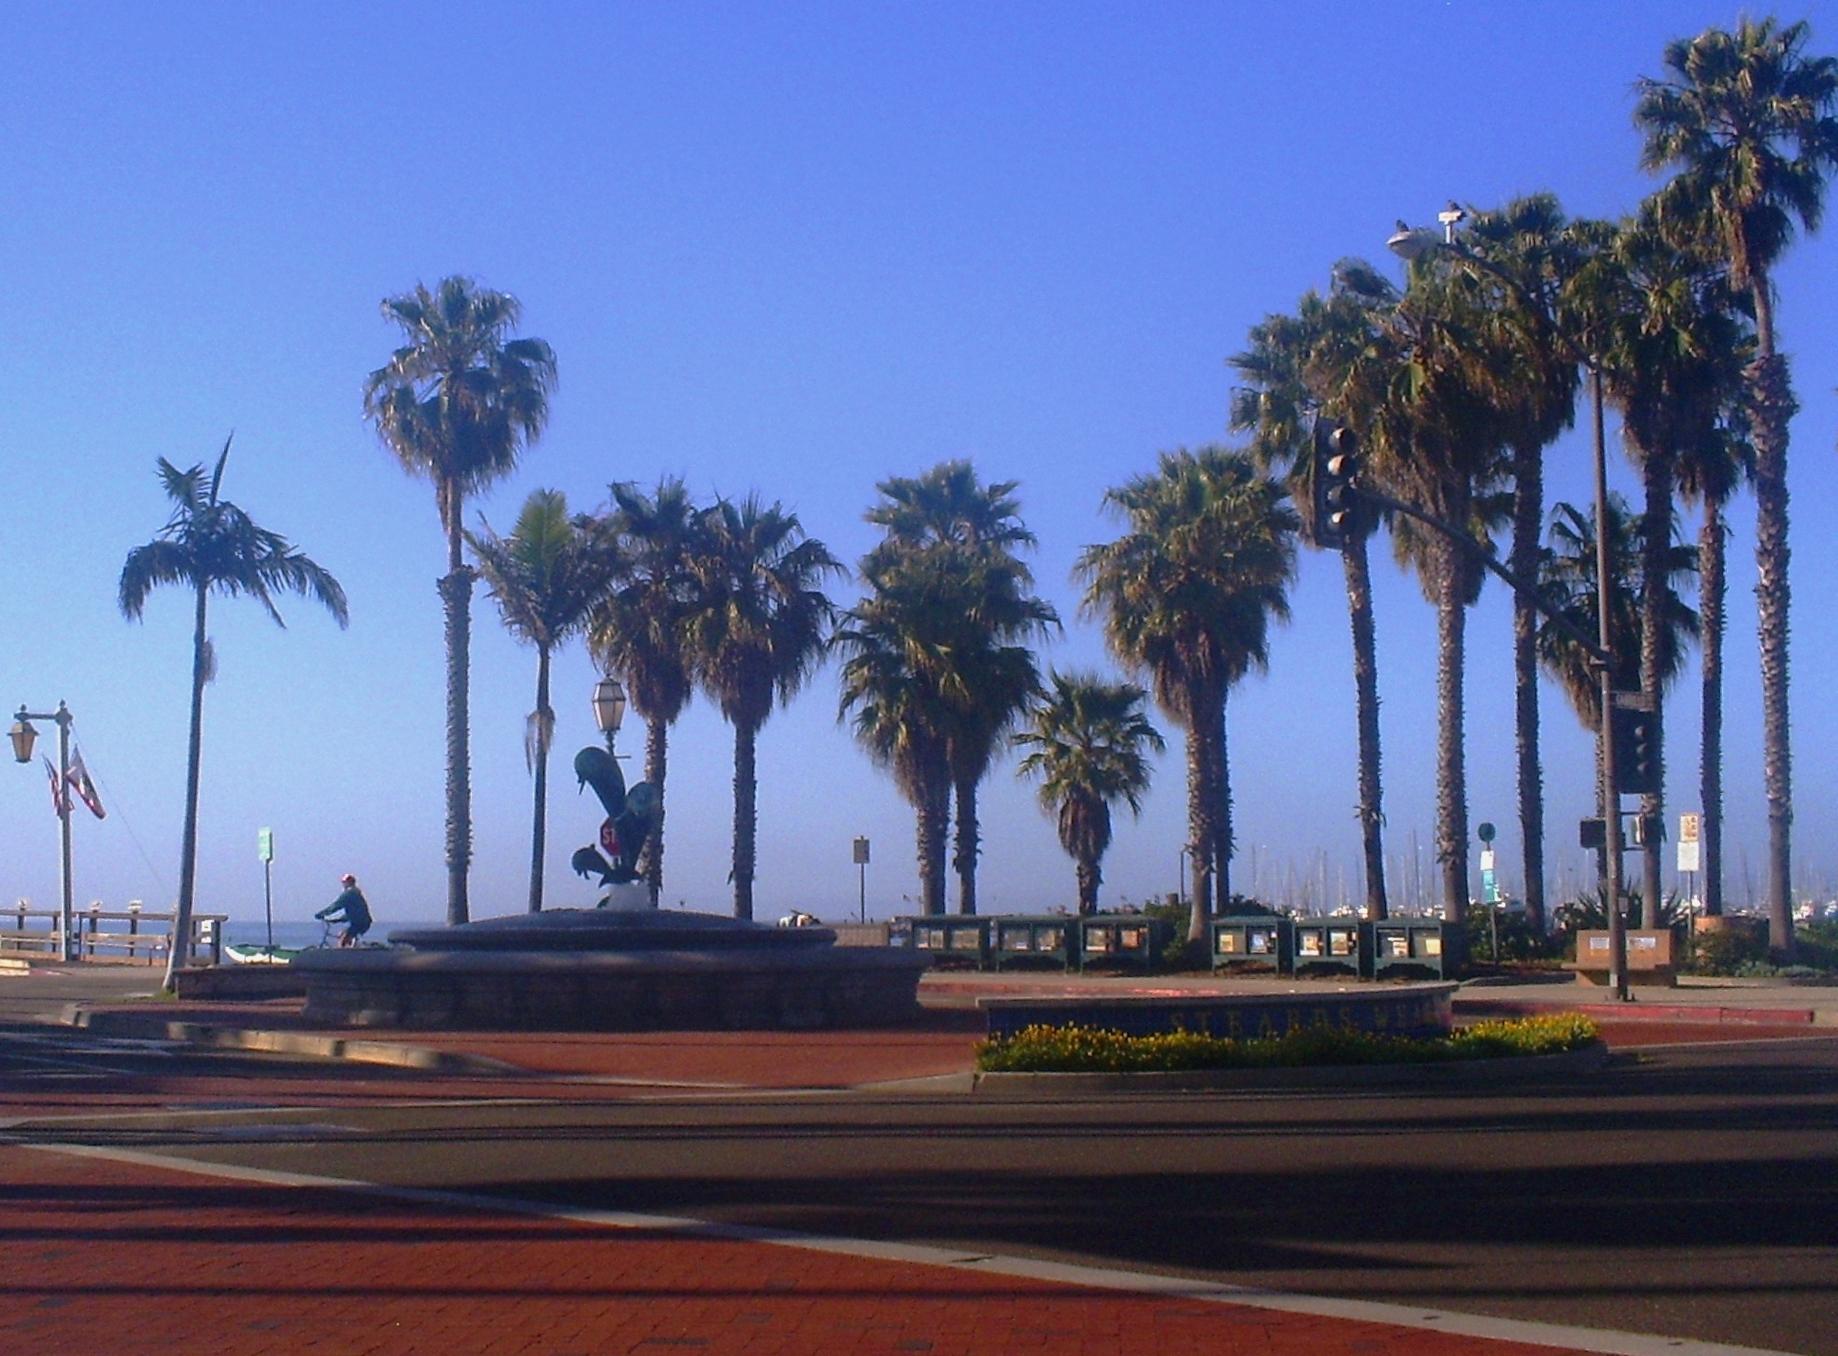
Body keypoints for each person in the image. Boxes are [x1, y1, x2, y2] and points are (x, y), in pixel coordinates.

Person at [315, 873, 373, 947]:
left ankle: (343, 955)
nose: (343, 884)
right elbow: (353, 913)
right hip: (362, 922)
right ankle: (351, 948)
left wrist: (321, 914)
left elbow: (336, 906)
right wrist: (337, 919)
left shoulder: (349, 893)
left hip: (360, 923)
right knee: (343, 935)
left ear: (349, 883)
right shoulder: (355, 892)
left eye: (344, 882)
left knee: (342, 940)